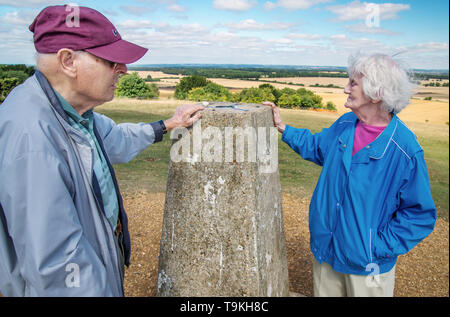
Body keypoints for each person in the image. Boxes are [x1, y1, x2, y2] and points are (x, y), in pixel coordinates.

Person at [0, 5, 203, 296]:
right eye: (111, 60)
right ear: (68, 61)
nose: (123, 69)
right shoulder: (32, 139)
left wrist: (170, 123)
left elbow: (116, 139)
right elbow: (60, 270)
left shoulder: (75, 114)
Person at [264, 52, 436, 297]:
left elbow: (419, 215)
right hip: (327, 253)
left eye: (353, 83)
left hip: (368, 268)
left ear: (377, 93)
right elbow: (317, 147)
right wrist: (283, 127)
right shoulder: (346, 124)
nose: (346, 89)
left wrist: (374, 248)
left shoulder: (404, 149)